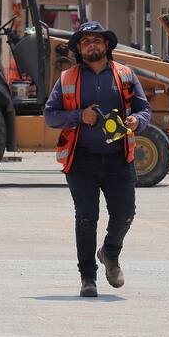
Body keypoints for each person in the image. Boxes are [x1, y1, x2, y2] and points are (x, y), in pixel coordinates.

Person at [43, 21, 151, 298]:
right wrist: (80, 116)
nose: (92, 44)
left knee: (125, 214)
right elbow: (51, 115)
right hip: (81, 161)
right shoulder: (67, 78)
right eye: (86, 41)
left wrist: (136, 121)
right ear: (79, 49)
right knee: (86, 219)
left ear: (106, 46)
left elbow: (144, 109)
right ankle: (87, 278)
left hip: (119, 158)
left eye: (97, 40)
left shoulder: (126, 75)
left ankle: (110, 253)